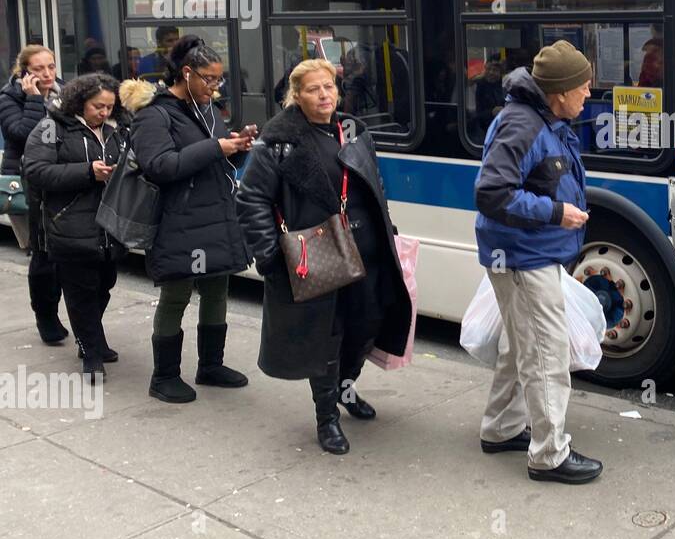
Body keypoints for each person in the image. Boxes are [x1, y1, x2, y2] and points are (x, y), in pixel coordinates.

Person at [237, 59, 412, 455]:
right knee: (326, 337)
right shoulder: (278, 141)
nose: (324, 95)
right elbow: (251, 200)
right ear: (296, 95)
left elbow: (375, 187)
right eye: (314, 89)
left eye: (329, 87)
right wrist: (269, 258)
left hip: (366, 252)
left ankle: (345, 388)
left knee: (367, 325)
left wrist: (389, 232)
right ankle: (326, 416)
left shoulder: (354, 132)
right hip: (316, 254)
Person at [474, 40, 602, 485]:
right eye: (583, 85)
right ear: (560, 91)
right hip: (526, 256)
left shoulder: (543, 118)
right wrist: (556, 213)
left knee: (517, 344)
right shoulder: (524, 126)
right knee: (547, 354)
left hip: (526, 252)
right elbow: (491, 194)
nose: (590, 91)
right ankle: (549, 455)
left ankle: (500, 427)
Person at [123, 36, 256, 403]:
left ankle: (211, 365)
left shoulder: (208, 110)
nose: (215, 87)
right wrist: (216, 147)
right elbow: (160, 166)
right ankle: (163, 376)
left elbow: (216, 162)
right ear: (187, 73)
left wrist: (236, 148)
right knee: (176, 294)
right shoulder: (154, 114)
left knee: (217, 289)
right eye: (209, 79)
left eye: (219, 80)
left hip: (214, 213)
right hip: (176, 219)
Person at [22, 74, 128, 379]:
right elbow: (36, 171)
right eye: (98, 106)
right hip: (69, 224)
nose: (104, 112)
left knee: (104, 286)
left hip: (109, 226)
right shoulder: (51, 127)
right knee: (81, 292)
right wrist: (87, 172)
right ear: (80, 101)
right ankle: (91, 354)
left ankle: (92, 338)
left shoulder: (116, 129)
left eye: (110, 106)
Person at [0, 45, 68, 343]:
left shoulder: (65, 91)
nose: (47, 73)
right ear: (24, 72)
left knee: (68, 253)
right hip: (28, 185)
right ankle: (46, 316)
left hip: (62, 181)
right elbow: (23, 135)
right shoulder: (10, 96)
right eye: (39, 68)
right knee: (42, 254)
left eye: (51, 66)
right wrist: (34, 99)